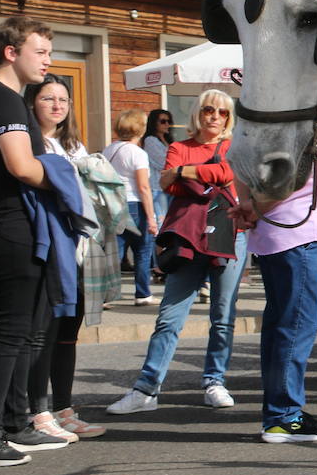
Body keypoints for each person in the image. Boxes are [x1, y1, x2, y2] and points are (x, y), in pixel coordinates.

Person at [0, 16, 70, 467]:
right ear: (11, 51)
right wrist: (67, 176)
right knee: (10, 332)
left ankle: (15, 423)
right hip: (9, 228)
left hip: (22, 226)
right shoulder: (0, 98)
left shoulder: (11, 99)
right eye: (40, 51)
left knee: (26, 333)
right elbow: (22, 166)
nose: (48, 60)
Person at [107, 90, 248, 415]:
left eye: (223, 112)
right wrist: (194, 173)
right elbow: (166, 182)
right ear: (199, 112)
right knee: (169, 316)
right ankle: (146, 388)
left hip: (229, 234)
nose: (215, 116)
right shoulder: (178, 147)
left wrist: (187, 171)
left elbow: (229, 173)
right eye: (209, 109)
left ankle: (215, 381)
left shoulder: (232, 146)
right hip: (187, 236)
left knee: (223, 316)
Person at [232, 125, 317, 444]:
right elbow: (287, 174)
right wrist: (253, 207)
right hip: (299, 231)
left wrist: (249, 205)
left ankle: (281, 412)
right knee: (295, 326)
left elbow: (238, 159)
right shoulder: (298, 110)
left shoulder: (277, 110)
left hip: (290, 231)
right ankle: (283, 416)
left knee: (283, 326)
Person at [19, 75, 106, 440]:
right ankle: (39, 413)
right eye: (48, 99)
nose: (57, 106)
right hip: (51, 245)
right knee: (45, 332)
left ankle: (63, 408)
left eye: (63, 100)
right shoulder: (27, 142)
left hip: (80, 246)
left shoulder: (73, 145)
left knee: (68, 333)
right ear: (32, 103)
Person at [102, 109, 158, 304]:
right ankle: (143, 293)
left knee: (114, 252)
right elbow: (143, 187)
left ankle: (105, 295)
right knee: (142, 251)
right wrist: (152, 218)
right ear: (140, 129)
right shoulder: (138, 153)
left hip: (112, 204)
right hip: (134, 204)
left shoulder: (109, 149)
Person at [142, 108, 175, 228]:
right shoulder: (150, 140)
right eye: (163, 121)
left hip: (170, 187)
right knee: (161, 223)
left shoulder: (168, 141)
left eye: (169, 121)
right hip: (158, 188)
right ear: (154, 123)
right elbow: (162, 163)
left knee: (170, 222)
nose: (167, 124)